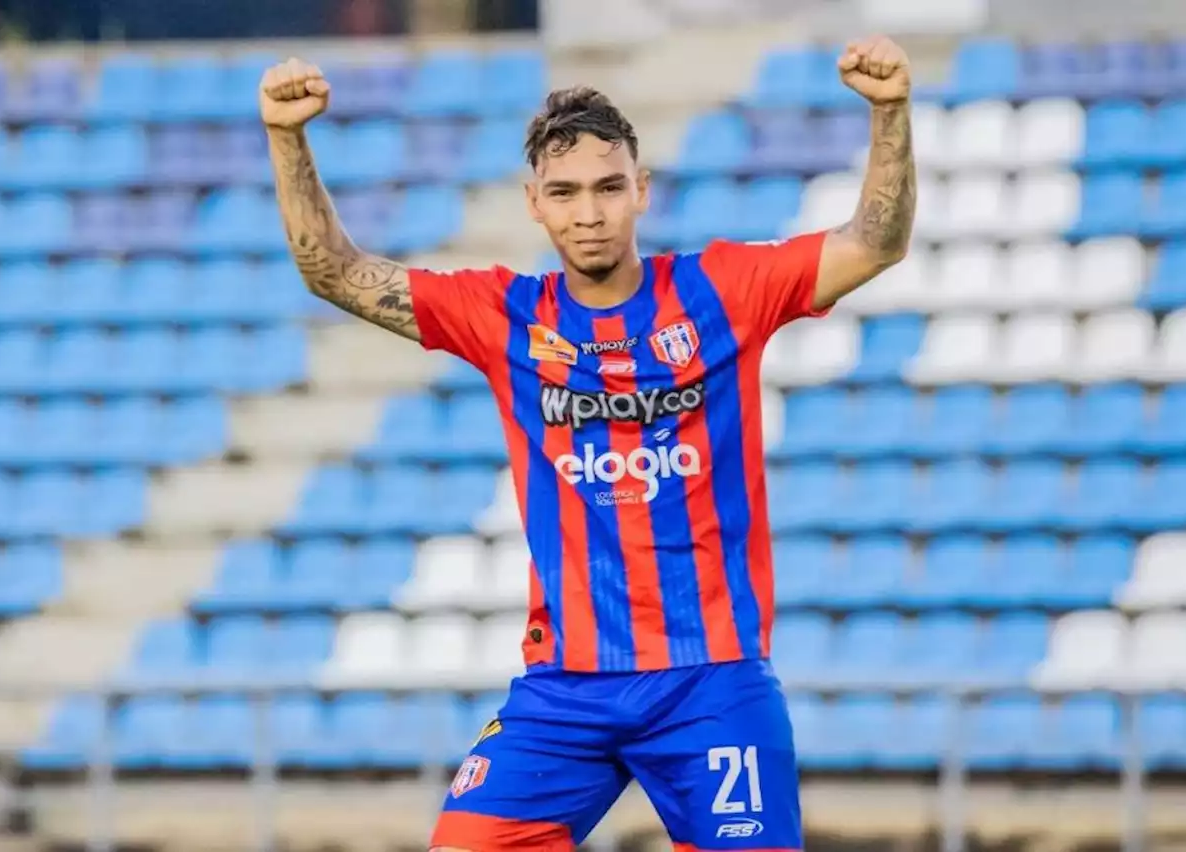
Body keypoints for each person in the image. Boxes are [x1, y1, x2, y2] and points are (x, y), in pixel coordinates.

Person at [260, 36, 916, 852]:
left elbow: (875, 243)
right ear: (535, 203)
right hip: (566, 689)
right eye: (565, 192)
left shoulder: (724, 291)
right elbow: (335, 271)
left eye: (609, 188)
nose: (590, 212)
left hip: (710, 682)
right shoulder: (505, 315)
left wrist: (889, 114)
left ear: (641, 190)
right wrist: (288, 138)